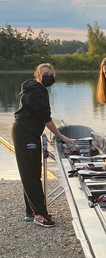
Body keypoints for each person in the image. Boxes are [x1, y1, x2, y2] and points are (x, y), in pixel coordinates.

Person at [11, 63, 75, 228]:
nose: (49, 77)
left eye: (51, 74)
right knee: (31, 174)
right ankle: (40, 214)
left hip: (29, 132)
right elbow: (45, 117)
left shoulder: (36, 89)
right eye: (45, 73)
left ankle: (31, 212)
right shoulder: (36, 91)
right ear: (38, 75)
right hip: (24, 133)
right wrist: (60, 136)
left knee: (32, 171)